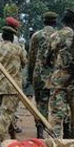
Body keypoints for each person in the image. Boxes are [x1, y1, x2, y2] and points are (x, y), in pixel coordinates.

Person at [46, 9, 74, 139]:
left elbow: (48, 59)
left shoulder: (54, 36)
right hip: (73, 82)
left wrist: (57, 67)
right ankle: (73, 143)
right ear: (73, 22)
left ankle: (53, 142)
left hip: (57, 81)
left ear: (63, 22)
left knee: (56, 114)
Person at [0, 26, 27, 140]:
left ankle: (12, 136)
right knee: (7, 113)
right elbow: (24, 63)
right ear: (12, 37)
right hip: (12, 86)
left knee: (6, 112)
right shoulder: (18, 49)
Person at [27, 11, 57, 139]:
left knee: (40, 105)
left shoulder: (36, 36)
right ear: (54, 22)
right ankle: (56, 132)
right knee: (56, 105)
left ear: (44, 21)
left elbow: (31, 58)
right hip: (56, 77)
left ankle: (40, 131)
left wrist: (29, 76)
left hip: (39, 76)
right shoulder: (58, 36)